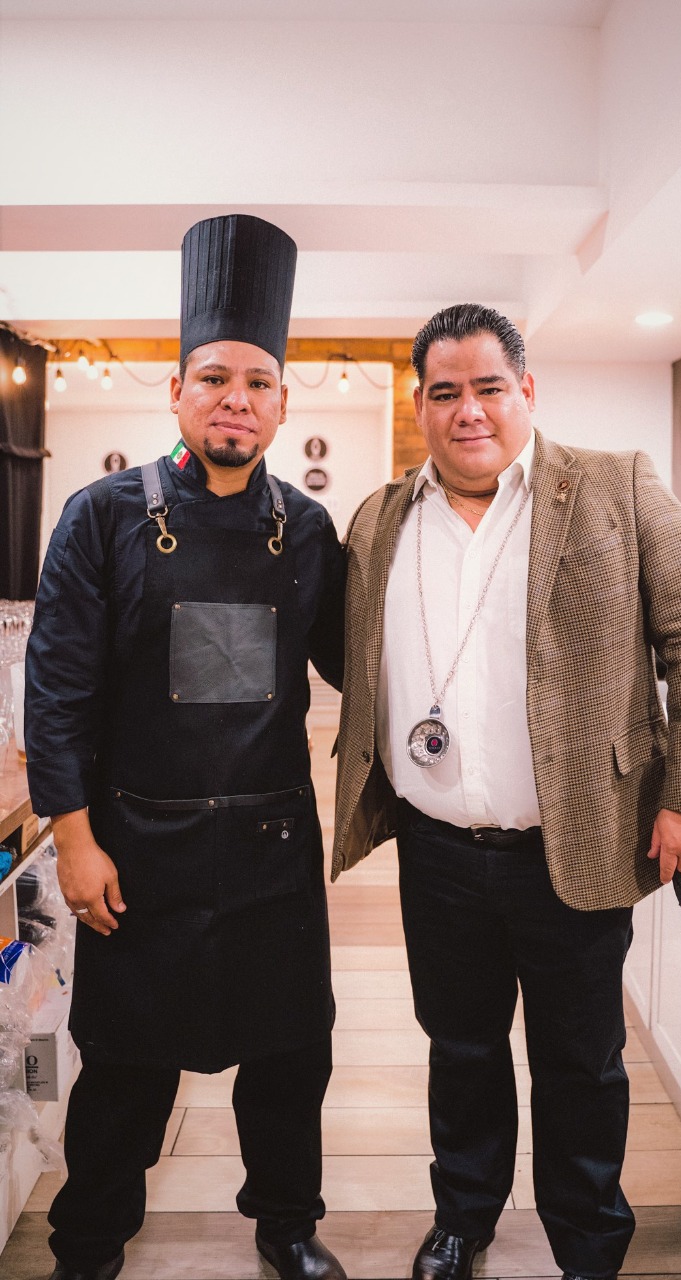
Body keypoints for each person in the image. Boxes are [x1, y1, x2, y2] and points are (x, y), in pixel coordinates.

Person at [331, 304, 681, 1280]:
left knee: (580, 1061)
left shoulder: (613, 483)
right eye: (443, 392)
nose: (466, 410)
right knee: (460, 1048)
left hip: (578, 838)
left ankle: (588, 1243)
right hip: (436, 848)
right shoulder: (379, 517)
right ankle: (462, 1218)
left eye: (487, 387)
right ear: (419, 405)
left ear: (525, 390)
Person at [25, 215, 347, 1280]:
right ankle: (88, 1242)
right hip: (137, 847)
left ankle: (286, 1224)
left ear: (281, 403)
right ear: (175, 392)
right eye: (214, 378)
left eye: (258, 382)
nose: (235, 398)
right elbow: (56, 691)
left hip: (272, 848)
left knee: (289, 1059)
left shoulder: (306, 530)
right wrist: (75, 841)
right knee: (124, 1067)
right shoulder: (101, 518)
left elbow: (364, 663)